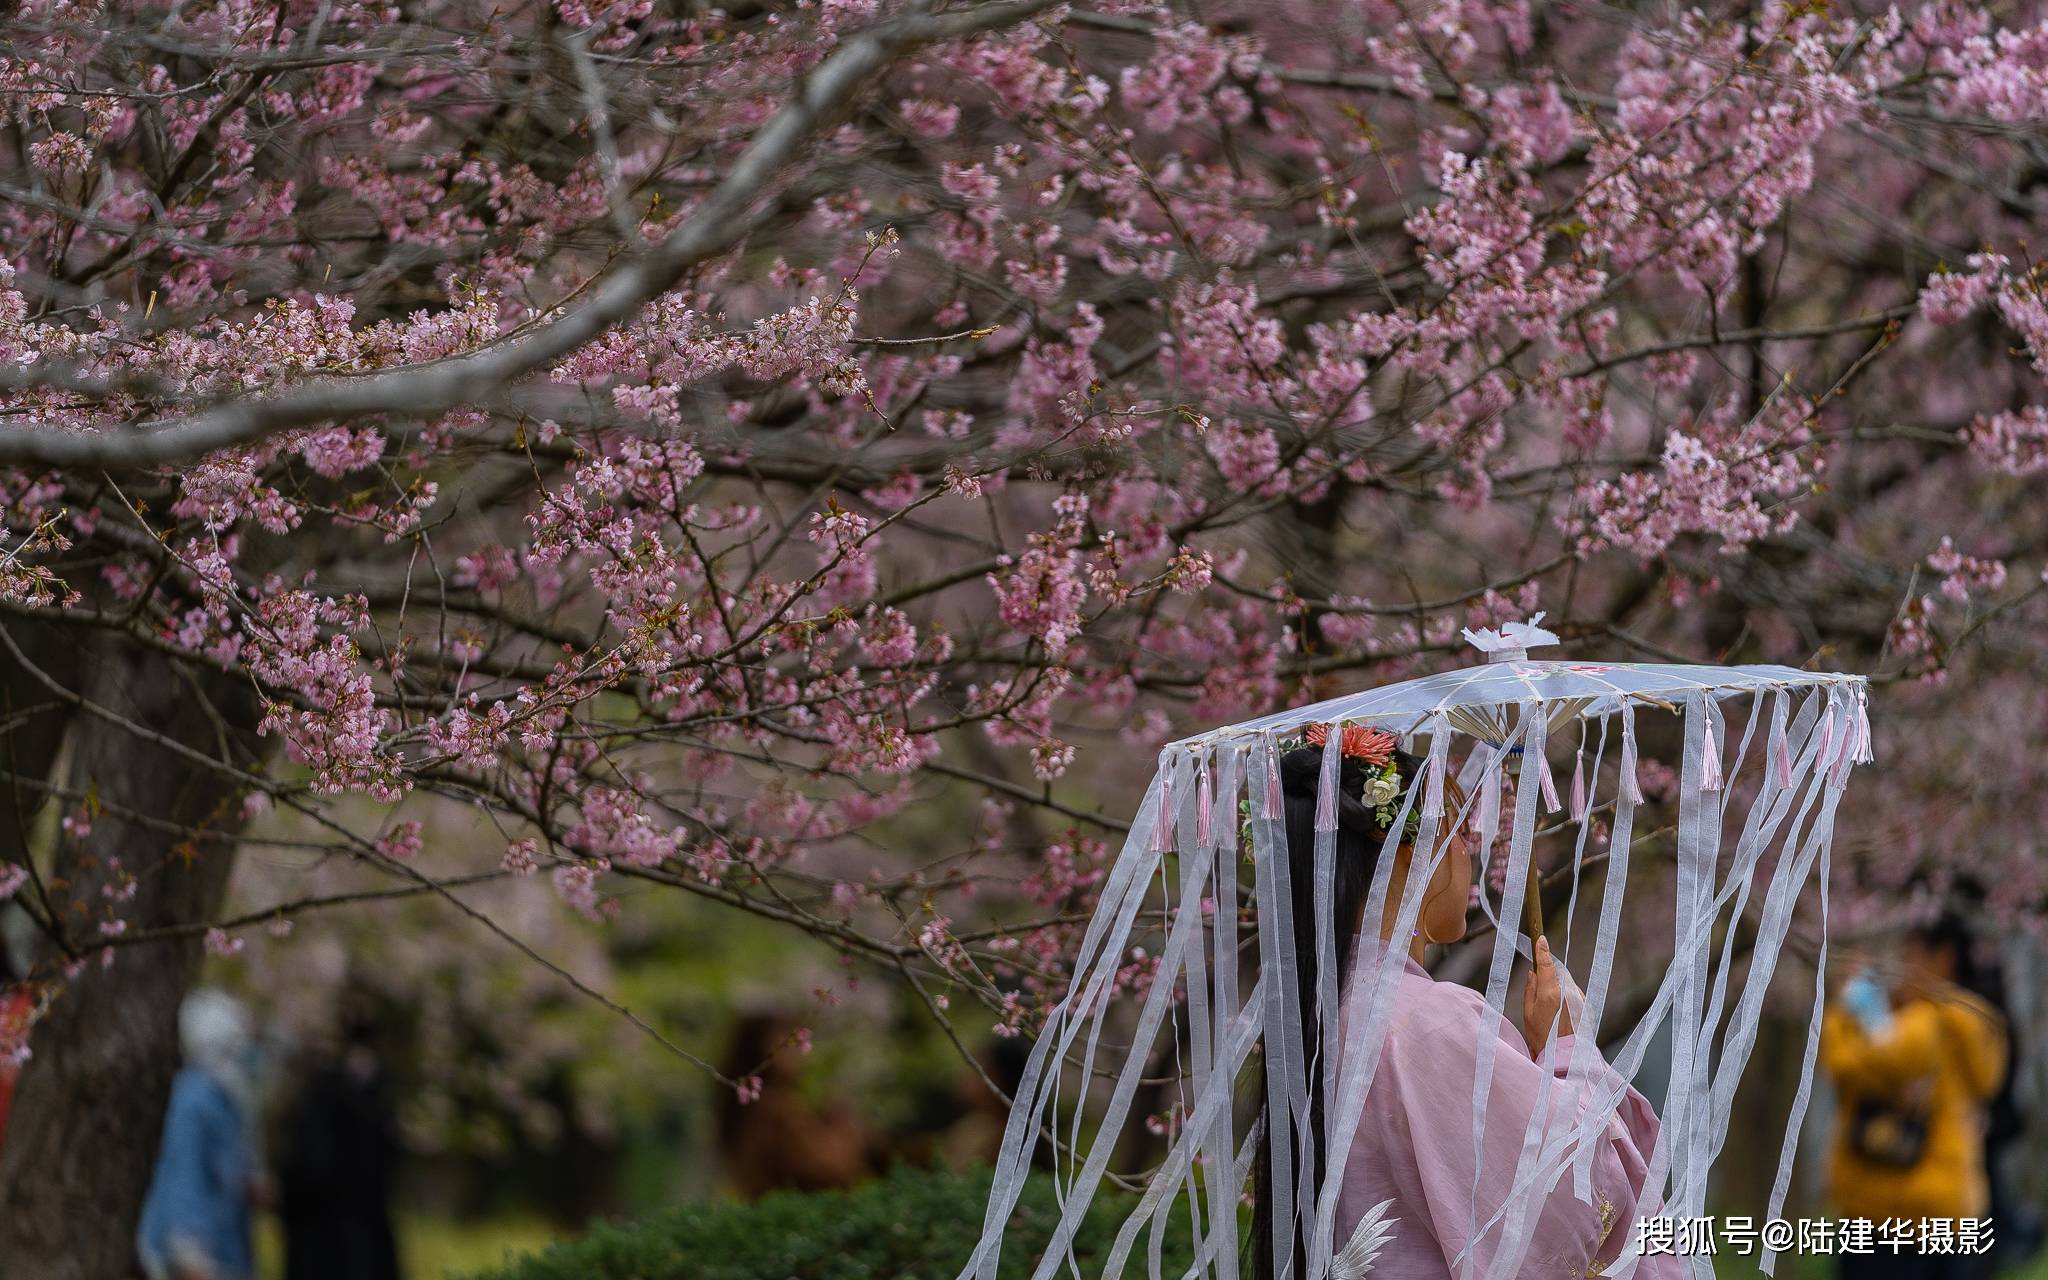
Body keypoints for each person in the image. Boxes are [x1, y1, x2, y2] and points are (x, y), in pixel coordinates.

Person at [1251, 733, 1680, 1280]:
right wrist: (1566, 1051)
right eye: (1457, 838)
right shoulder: (1430, 1023)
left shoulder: (1321, 1015)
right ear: (1412, 854)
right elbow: (1560, 1213)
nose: (1469, 854)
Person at [1821, 914, 2008, 1280]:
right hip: (1947, 1210)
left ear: (1944, 958)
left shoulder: (1928, 1022)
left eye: (1911, 954)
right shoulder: (1975, 1021)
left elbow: (1849, 1063)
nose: (1902, 966)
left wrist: (1846, 1010)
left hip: (1890, 1210)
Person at [136, 989, 262, 1280]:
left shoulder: (224, 1096)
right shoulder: (197, 1098)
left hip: (224, 1246)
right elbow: (184, 1169)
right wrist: (188, 1249)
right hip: (201, 1254)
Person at [277, 1001, 403, 1280]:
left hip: (328, 1230)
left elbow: (303, 1165)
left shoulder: (326, 1091)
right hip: (350, 1226)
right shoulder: (374, 1093)